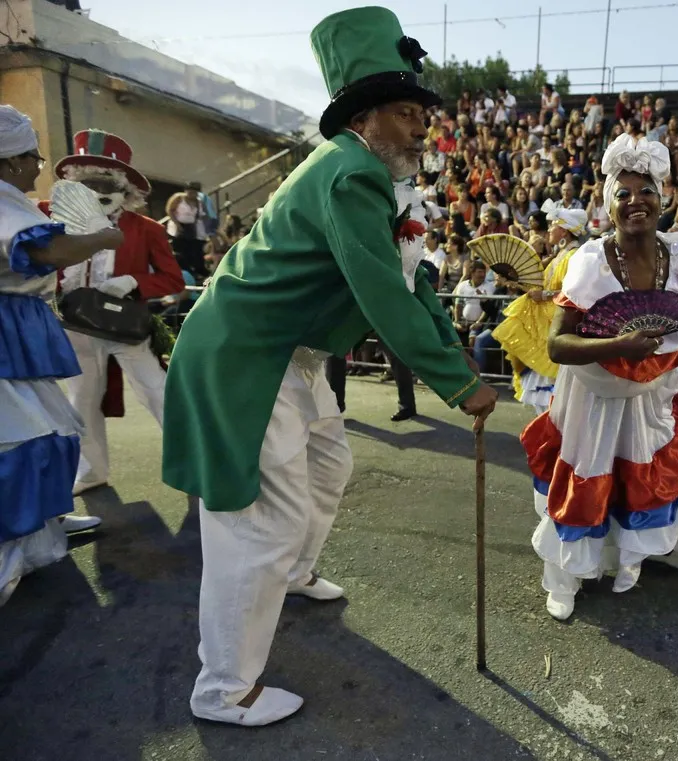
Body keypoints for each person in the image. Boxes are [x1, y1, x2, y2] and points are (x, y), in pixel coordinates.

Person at [161, 8, 498, 727]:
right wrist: (460, 382)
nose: (420, 128)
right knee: (258, 521)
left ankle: (291, 574)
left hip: (295, 355)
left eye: (421, 114)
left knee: (327, 467)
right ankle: (224, 688)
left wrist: (453, 350)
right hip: (250, 357)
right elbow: (382, 292)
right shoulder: (350, 173)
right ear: (367, 117)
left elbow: (413, 283)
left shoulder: (374, 176)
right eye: (407, 113)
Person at [521, 134, 678, 621]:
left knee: (648, 476)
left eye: (646, 192)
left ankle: (639, 554)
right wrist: (618, 345)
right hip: (594, 396)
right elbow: (558, 345)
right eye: (623, 193)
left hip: (654, 393)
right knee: (588, 478)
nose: (636, 201)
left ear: (665, 200)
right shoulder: (590, 263)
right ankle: (566, 577)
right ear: (608, 206)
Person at [1, 105, 125, 603]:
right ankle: (11, 551)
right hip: (7, 332)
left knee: (49, 430)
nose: (38, 162)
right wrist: (103, 237)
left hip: (19, 329)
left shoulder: (13, 199)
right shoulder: (4, 203)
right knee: (20, 442)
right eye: (31, 154)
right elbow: (45, 253)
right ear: (9, 161)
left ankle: (39, 532)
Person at [43, 130, 185, 496]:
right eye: (88, 183)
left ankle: (193, 460)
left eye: (106, 183)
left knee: (159, 391)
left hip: (126, 327)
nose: (98, 191)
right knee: (83, 399)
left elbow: (172, 279)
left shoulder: (147, 229)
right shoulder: (49, 218)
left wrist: (132, 281)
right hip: (73, 327)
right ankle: (91, 472)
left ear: (125, 189)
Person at [491, 209, 588, 414]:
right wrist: (514, 282)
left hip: (557, 322)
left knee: (553, 387)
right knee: (543, 388)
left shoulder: (574, 256)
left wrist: (543, 296)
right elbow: (539, 287)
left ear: (564, 231)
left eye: (553, 225)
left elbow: (574, 292)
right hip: (545, 321)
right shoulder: (559, 256)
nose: (549, 230)